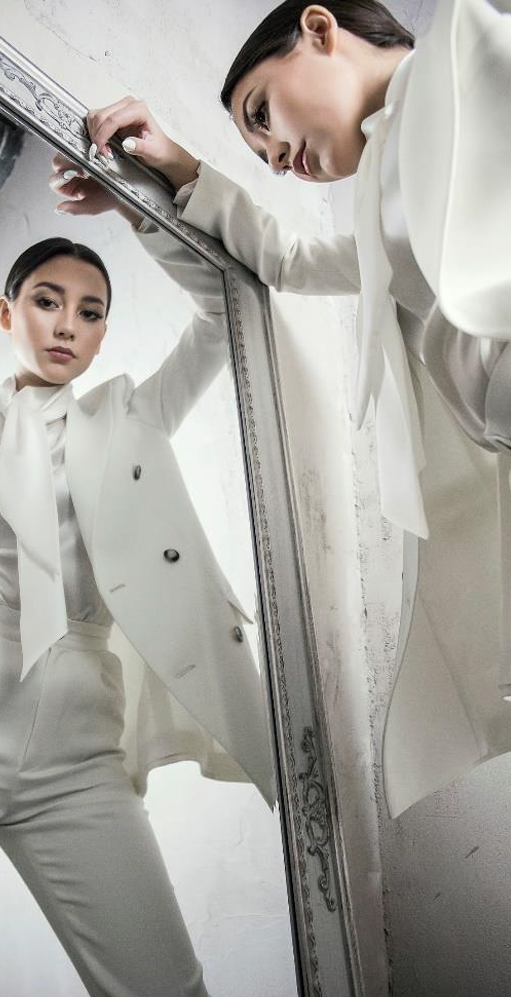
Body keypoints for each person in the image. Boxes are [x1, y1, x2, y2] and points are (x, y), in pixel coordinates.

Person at [0, 172, 275, 996]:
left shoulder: (130, 420)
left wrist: (138, 204)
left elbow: (228, 311)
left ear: (103, 334)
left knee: (165, 985)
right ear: (7, 313)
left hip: (77, 733)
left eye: (90, 310)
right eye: (46, 300)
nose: (68, 323)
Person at [76, 0, 511, 817]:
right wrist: (172, 170)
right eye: (260, 155)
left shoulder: (473, 38)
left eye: (261, 115)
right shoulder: (379, 194)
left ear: (318, 30)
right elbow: (289, 259)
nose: (276, 158)